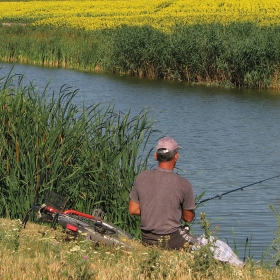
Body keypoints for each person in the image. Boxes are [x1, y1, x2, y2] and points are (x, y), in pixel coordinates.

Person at [129, 136, 244, 267]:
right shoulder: (183, 184)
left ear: (156, 156)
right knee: (210, 243)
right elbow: (188, 218)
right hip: (172, 239)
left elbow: (133, 210)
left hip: (147, 238)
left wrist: (157, 210)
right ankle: (238, 266)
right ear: (176, 157)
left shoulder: (142, 177)